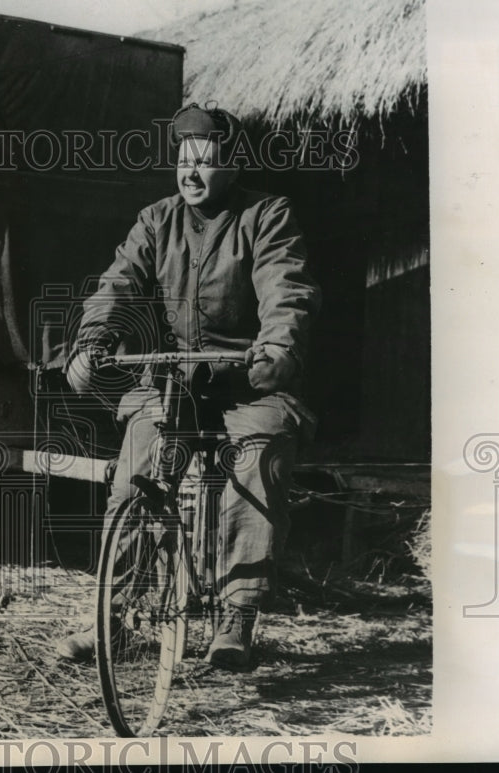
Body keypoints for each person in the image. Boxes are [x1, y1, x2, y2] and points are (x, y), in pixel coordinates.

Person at [58, 103, 321, 670]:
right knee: (134, 477)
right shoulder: (156, 220)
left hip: (248, 381)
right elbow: (117, 284)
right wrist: (93, 342)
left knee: (256, 459)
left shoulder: (266, 215)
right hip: (175, 381)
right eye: (184, 160)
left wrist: (277, 349)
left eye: (206, 161)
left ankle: (237, 615)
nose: (192, 173)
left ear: (231, 166)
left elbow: (286, 289)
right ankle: (114, 616)